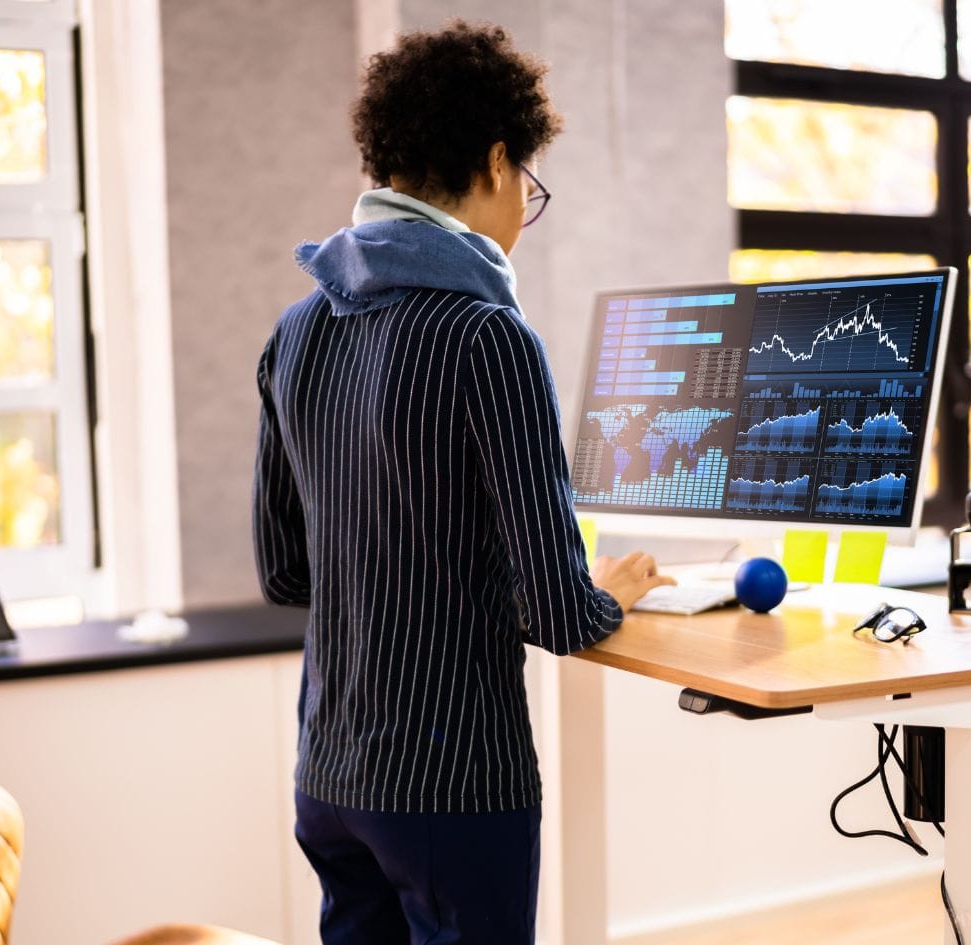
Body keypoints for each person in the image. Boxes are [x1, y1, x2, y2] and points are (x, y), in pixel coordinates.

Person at [251, 20, 673, 945]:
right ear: (495, 163)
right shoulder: (490, 339)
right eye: (530, 180)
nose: (527, 203)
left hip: (330, 774)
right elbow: (561, 614)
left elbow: (287, 574)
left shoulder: (296, 332)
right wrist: (604, 590)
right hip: (454, 789)